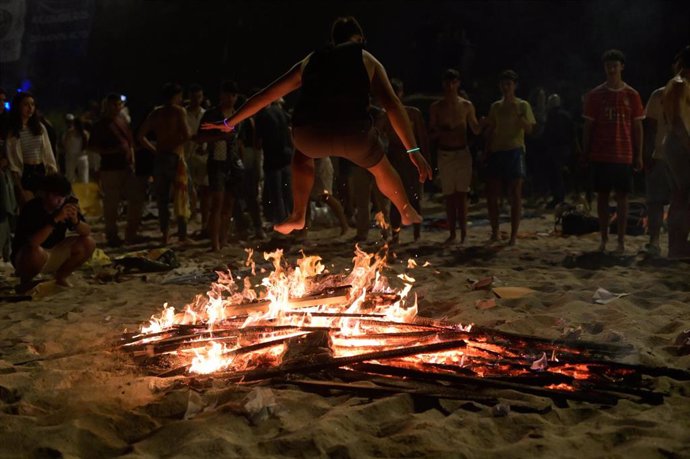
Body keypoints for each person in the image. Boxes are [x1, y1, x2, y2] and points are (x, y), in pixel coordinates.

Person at [202, 16, 432, 235]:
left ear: (333, 40)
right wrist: (413, 150)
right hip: (354, 135)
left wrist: (229, 123)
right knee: (381, 167)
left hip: (310, 135)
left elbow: (267, 96)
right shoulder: (366, 59)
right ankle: (404, 208)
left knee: (301, 156)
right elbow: (392, 105)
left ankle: (298, 214)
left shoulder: (310, 60)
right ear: (359, 39)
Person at [582, 49, 644, 254]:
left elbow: (637, 127)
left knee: (623, 198)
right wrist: (585, 152)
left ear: (621, 67)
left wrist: (639, 154)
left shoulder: (632, 95)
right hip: (601, 153)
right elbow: (588, 127)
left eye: (615, 65)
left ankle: (621, 241)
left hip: (623, 152)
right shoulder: (595, 95)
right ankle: (603, 238)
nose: (611, 68)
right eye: (608, 65)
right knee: (602, 197)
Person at [11, 174, 95, 293]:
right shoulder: (32, 208)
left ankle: (61, 277)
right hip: (27, 257)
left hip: (53, 252)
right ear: (45, 194)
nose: (60, 200)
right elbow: (34, 242)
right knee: (35, 251)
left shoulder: (65, 205)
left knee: (88, 242)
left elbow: (87, 231)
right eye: (56, 196)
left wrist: (76, 221)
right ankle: (26, 282)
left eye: (63, 196)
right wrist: (55, 220)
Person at [483, 70, 536, 246]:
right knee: (493, 194)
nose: (506, 87)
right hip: (498, 150)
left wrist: (518, 114)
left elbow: (529, 129)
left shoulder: (523, 105)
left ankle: (513, 235)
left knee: (515, 194)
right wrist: (486, 150)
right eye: (504, 84)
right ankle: (495, 231)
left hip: (515, 150)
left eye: (509, 84)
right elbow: (491, 129)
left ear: (514, 86)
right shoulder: (496, 106)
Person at [429, 69, 480, 245]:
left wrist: (486, 124)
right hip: (445, 152)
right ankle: (452, 233)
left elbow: (475, 128)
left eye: (453, 82)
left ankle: (464, 233)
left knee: (462, 194)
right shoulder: (436, 107)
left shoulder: (466, 105)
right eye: (447, 83)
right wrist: (443, 129)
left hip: (462, 152)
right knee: (449, 195)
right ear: (444, 84)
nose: (450, 86)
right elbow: (432, 132)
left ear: (458, 83)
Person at [138, 83, 192, 244]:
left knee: (162, 200)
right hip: (175, 157)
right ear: (176, 96)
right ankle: (182, 234)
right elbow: (187, 134)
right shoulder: (178, 111)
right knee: (180, 196)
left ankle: (165, 235)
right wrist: (177, 143)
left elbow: (141, 136)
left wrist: (155, 149)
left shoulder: (156, 113)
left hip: (160, 157)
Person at [196, 81, 244, 251]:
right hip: (217, 161)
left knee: (229, 204)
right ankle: (215, 242)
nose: (230, 98)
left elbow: (240, 142)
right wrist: (219, 137)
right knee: (217, 203)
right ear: (221, 95)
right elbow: (200, 138)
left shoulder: (238, 115)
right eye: (227, 95)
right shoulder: (211, 115)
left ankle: (223, 240)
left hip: (233, 163)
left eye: (233, 95)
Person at [90, 93, 143, 246]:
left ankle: (131, 233)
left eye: (118, 104)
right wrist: (111, 151)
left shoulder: (122, 121)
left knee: (136, 199)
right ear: (106, 106)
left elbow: (130, 143)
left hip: (126, 167)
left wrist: (132, 159)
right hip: (110, 169)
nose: (116, 107)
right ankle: (112, 235)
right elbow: (92, 147)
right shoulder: (100, 125)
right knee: (111, 204)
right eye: (113, 105)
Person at [5, 92, 58, 206]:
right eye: (26, 104)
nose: (30, 108)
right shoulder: (13, 131)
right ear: (18, 106)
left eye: (32, 104)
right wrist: (19, 187)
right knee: (28, 207)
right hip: (25, 173)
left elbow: (48, 152)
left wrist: (53, 171)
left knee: (44, 207)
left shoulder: (39, 127)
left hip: (40, 170)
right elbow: (13, 160)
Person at [662, 45, 690, 258]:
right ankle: (678, 245)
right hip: (679, 144)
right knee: (684, 195)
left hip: (675, 143)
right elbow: (679, 121)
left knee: (680, 195)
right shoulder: (680, 85)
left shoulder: (678, 84)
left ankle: (677, 246)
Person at [254, 100, 293, 226]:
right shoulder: (281, 112)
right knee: (287, 194)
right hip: (287, 157)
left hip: (272, 160)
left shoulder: (262, 116)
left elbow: (258, 144)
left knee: (277, 197)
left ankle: (282, 226)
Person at [542, 93, 574, 208]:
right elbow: (572, 132)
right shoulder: (566, 115)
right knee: (559, 173)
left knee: (555, 174)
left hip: (554, 148)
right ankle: (559, 196)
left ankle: (558, 198)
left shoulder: (551, 116)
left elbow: (547, 133)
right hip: (565, 148)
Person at [184, 84, 209, 233]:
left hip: (203, 156)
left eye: (199, 96)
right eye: (194, 96)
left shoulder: (205, 114)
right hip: (187, 156)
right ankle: (188, 224)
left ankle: (204, 224)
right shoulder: (183, 114)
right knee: (188, 192)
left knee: (205, 191)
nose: (196, 99)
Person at [61, 114, 90, 183]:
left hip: (73, 156)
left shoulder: (70, 133)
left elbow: (64, 144)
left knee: (70, 177)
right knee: (84, 178)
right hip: (81, 156)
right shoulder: (85, 134)